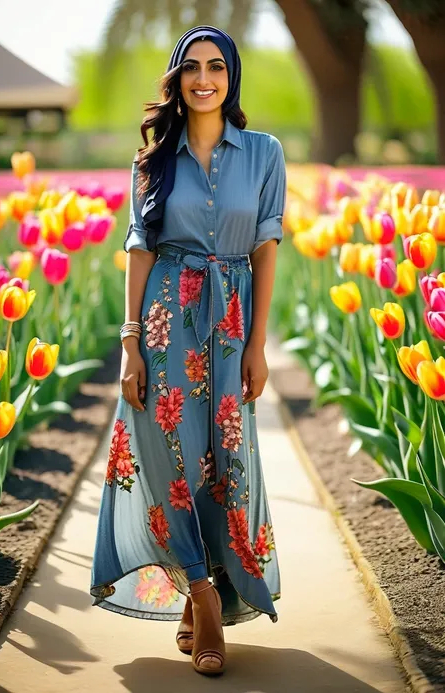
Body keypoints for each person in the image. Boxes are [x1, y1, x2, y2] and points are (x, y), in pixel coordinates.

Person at [90, 25, 286, 677]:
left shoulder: (264, 153)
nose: (205, 79)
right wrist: (129, 345)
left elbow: (264, 250)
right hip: (164, 319)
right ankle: (203, 597)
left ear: (231, 79)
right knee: (165, 452)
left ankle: (204, 586)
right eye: (192, 68)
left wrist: (258, 343)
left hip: (229, 325)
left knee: (219, 460)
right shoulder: (152, 160)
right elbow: (139, 246)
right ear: (176, 79)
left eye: (218, 68)